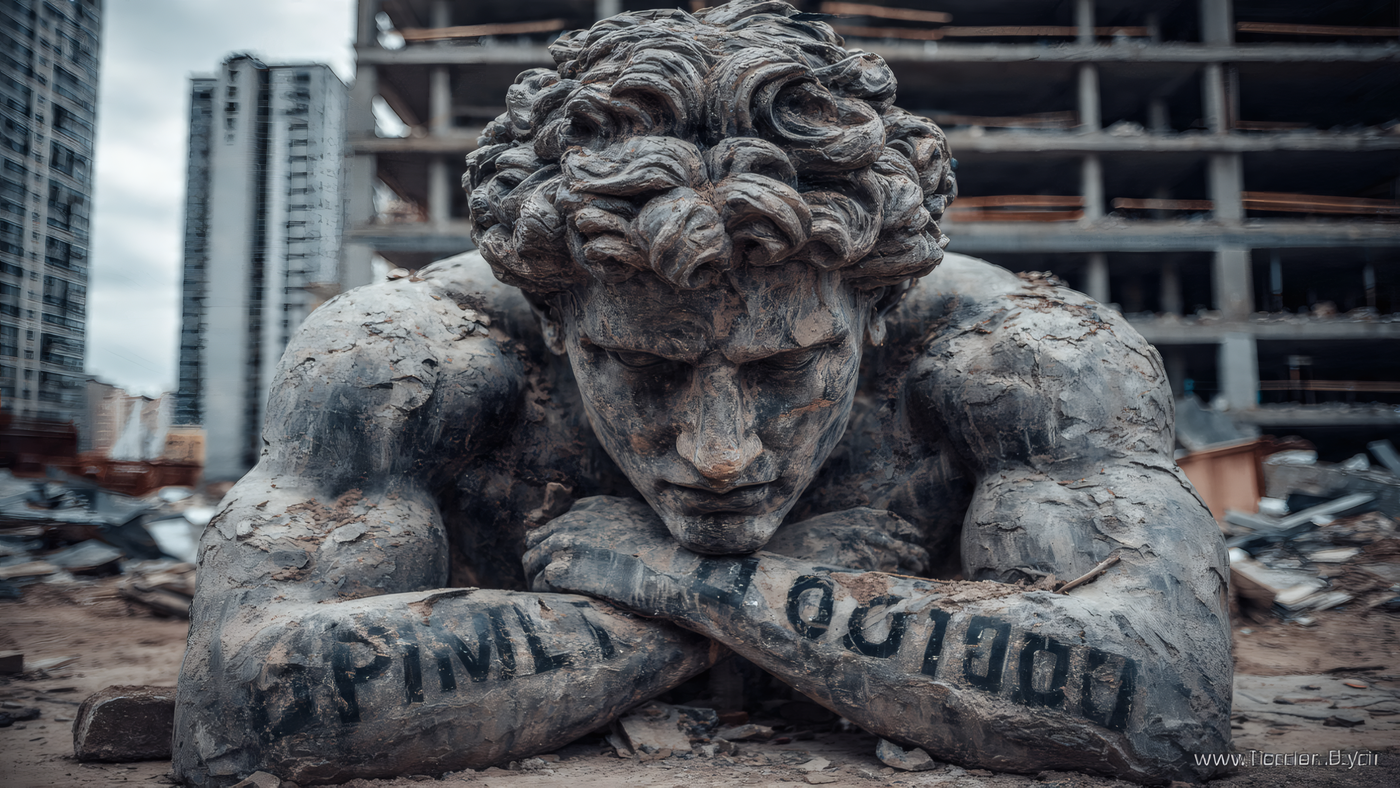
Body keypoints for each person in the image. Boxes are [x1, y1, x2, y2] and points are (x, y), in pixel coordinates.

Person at [173, 2, 1231, 785]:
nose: (720, 455)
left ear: (877, 310)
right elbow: (236, 705)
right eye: (643, 370)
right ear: (550, 317)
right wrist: (788, 609)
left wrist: (680, 584)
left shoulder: (1022, 355)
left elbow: (1176, 702)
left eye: (785, 372)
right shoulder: (404, 357)